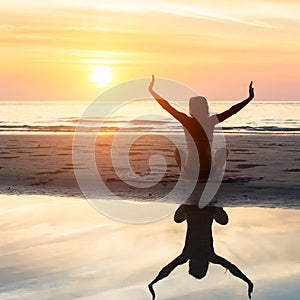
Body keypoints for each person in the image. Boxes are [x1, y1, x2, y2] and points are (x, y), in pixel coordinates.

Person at [148, 75, 255, 180]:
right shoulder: (211, 121)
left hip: (190, 173)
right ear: (206, 107)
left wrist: (152, 91)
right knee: (223, 151)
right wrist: (249, 98)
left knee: (178, 151)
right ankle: (215, 172)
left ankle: (183, 173)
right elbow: (232, 111)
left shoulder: (186, 121)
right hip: (210, 173)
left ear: (191, 108)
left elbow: (167, 106)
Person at [148, 205, 254, 299]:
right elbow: (168, 269)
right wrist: (153, 283)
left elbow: (231, 268)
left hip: (208, 210)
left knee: (223, 222)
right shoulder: (188, 255)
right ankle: (185, 206)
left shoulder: (209, 256)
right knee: (177, 220)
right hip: (192, 210)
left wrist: (248, 282)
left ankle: (215, 207)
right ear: (191, 264)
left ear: (205, 266)